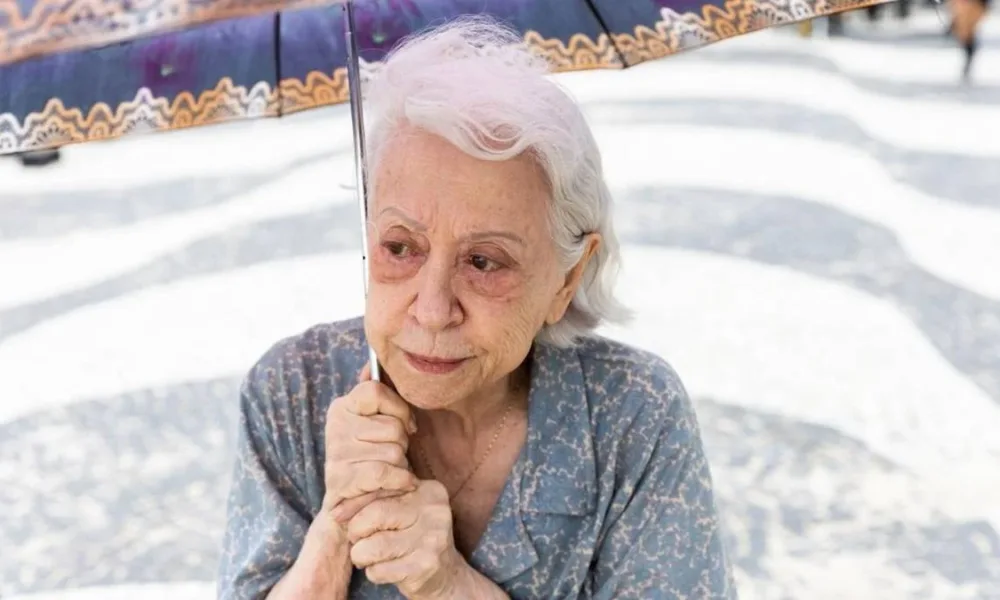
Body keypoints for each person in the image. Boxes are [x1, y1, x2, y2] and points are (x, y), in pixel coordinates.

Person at [217, 16, 735, 600]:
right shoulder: (293, 392)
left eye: (484, 262)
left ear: (567, 279)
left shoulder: (630, 414)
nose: (433, 310)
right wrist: (338, 525)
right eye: (400, 248)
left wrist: (449, 584)